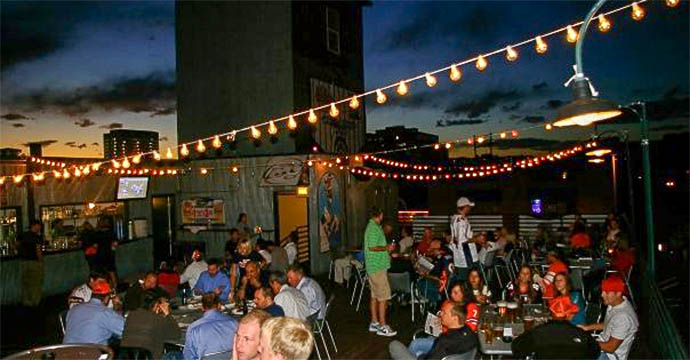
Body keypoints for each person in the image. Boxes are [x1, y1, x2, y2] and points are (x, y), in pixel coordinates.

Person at [512, 295, 599, 359]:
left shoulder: (538, 332)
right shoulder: (581, 334)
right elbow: (595, 353)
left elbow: (517, 349)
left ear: (551, 313)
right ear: (568, 315)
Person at [389, 301, 478, 360]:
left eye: (444, 313)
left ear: (455, 318)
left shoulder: (445, 341)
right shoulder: (471, 333)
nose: (441, 315)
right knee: (418, 349)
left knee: (394, 345)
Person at [578, 276, 639, 360]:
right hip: (602, 343)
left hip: (610, 356)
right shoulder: (616, 303)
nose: (602, 295)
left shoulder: (623, 317)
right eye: (603, 291)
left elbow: (610, 348)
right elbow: (609, 324)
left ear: (618, 293)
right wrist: (586, 327)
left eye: (606, 292)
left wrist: (586, 342)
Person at [364, 207, 397, 336]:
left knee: (374, 296)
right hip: (377, 267)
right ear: (381, 215)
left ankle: (374, 322)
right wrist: (386, 247)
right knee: (383, 297)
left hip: (374, 267)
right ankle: (383, 326)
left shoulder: (373, 227)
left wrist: (386, 249)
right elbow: (372, 247)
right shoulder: (373, 228)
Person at [121, 291, 180, 359]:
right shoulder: (158, 319)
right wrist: (167, 314)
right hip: (150, 357)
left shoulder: (131, 315)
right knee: (178, 354)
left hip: (127, 357)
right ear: (156, 304)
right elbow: (176, 335)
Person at [63, 279, 125, 345]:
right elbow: (127, 330)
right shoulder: (104, 312)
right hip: (91, 353)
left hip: (66, 352)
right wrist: (118, 308)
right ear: (107, 297)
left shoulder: (74, 309)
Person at [184, 293, 238, 360]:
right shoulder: (233, 323)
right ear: (219, 305)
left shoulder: (194, 328)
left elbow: (188, 356)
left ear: (202, 307)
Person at [449, 197, 479, 281]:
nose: (469, 208)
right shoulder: (460, 220)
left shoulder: (455, 218)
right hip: (465, 255)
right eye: (468, 206)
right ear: (464, 207)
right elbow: (462, 240)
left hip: (461, 255)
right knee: (467, 278)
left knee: (465, 278)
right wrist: (476, 239)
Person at [18, 219, 44, 307]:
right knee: (35, 284)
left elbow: (15, 245)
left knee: (25, 283)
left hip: (23, 262)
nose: (40, 228)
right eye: (39, 226)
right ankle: (35, 302)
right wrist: (41, 262)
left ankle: (26, 302)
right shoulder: (37, 237)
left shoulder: (22, 235)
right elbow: (38, 251)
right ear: (35, 225)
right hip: (34, 262)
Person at [87, 216, 118, 286]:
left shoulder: (97, 234)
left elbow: (95, 246)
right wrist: (112, 250)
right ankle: (115, 287)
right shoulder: (112, 233)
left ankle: (102, 287)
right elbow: (115, 244)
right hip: (109, 254)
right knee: (111, 271)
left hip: (100, 254)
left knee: (100, 273)